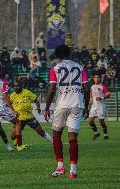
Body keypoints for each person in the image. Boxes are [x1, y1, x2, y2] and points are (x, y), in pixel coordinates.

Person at [44, 45, 90, 178]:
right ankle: (73, 171)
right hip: (77, 104)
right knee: (73, 138)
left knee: (56, 134)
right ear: (69, 54)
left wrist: (47, 108)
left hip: (62, 104)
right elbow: (86, 89)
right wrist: (86, 106)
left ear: (58, 55)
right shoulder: (80, 67)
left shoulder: (55, 68)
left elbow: (52, 89)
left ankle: (60, 167)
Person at [88, 74, 110, 140]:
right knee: (90, 121)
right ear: (93, 79)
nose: (96, 78)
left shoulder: (102, 86)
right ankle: (96, 133)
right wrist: (90, 100)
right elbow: (91, 95)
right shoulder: (92, 87)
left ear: (100, 79)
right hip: (94, 106)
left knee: (101, 122)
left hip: (101, 106)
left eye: (97, 77)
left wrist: (101, 97)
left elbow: (108, 95)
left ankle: (106, 135)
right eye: (95, 77)